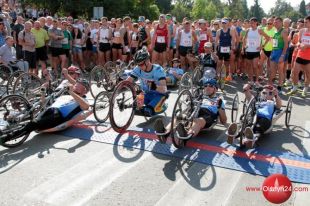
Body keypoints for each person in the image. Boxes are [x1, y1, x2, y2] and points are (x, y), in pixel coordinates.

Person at [0, 77, 91, 142]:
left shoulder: (83, 100)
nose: (76, 86)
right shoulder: (66, 95)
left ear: (84, 91)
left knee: (33, 124)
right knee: (24, 118)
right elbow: (44, 103)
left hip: (57, 116)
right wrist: (43, 92)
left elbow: (86, 106)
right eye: (77, 85)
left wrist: (71, 92)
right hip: (49, 110)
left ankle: (5, 138)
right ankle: (5, 128)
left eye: (79, 86)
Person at [154, 78, 227, 141]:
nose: (207, 87)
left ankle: (187, 134)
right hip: (194, 110)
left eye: (211, 86)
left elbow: (224, 121)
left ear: (215, 89)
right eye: (205, 86)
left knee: (198, 121)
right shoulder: (200, 96)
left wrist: (219, 107)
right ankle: (165, 132)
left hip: (207, 114)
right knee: (179, 117)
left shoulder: (219, 100)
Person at [226, 84, 282, 148]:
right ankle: (234, 135)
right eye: (264, 93)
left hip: (264, 118)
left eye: (270, 93)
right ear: (261, 93)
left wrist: (276, 95)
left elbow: (279, 106)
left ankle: (252, 138)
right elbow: (248, 96)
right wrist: (246, 89)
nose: (266, 95)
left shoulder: (272, 103)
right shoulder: (256, 100)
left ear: (273, 95)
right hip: (253, 115)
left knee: (258, 127)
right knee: (245, 122)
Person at [126, 48, 168, 116]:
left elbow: (164, 90)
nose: (139, 67)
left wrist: (152, 86)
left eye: (141, 64)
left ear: (148, 60)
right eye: (138, 64)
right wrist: (118, 85)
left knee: (148, 110)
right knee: (135, 107)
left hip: (159, 96)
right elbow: (128, 81)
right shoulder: (138, 69)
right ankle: (146, 107)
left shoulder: (158, 70)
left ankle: (155, 107)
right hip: (146, 94)